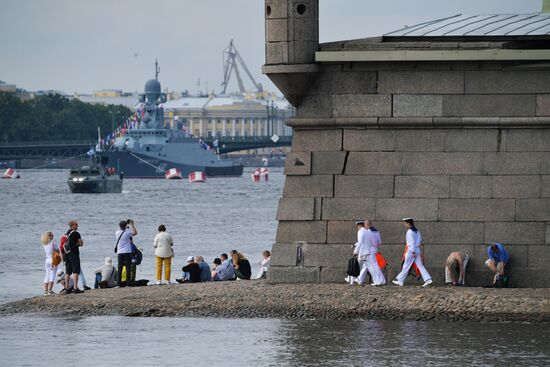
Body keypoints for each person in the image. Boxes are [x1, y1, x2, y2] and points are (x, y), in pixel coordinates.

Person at [392, 218, 432, 287]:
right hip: (417, 250)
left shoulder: (409, 232)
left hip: (411, 251)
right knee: (420, 266)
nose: (405, 225)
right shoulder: (417, 231)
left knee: (406, 266)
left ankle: (400, 280)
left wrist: (413, 252)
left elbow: (412, 243)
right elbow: (420, 240)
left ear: (408, 223)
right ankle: (428, 279)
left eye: (405, 223)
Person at [62, 220, 84, 294]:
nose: (77, 226)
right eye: (76, 224)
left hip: (67, 254)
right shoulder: (76, 233)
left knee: (67, 272)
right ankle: (75, 288)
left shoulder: (66, 233)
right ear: (72, 226)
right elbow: (81, 244)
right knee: (75, 271)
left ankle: (67, 288)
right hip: (74, 254)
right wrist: (78, 243)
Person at [115, 219, 137, 287]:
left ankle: (119, 284)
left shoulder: (117, 232)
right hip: (127, 252)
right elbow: (135, 233)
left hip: (120, 252)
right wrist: (132, 225)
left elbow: (121, 228)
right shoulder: (128, 232)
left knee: (120, 268)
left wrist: (125, 225)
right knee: (128, 268)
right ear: (125, 226)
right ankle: (128, 284)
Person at [365, 219, 386, 286]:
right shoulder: (376, 231)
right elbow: (379, 242)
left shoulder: (367, 232)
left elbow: (365, 242)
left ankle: (378, 281)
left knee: (373, 266)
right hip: (375, 249)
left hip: (369, 249)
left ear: (366, 224)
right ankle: (381, 280)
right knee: (375, 265)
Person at [40, 231, 59, 296]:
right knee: (53, 274)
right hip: (53, 259)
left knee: (47, 274)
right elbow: (57, 251)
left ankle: (45, 291)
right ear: (49, 236)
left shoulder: (44, 243)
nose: (53, 236)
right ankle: (50, 291)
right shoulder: (53, 242)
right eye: (51, 235)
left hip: (47, 260)